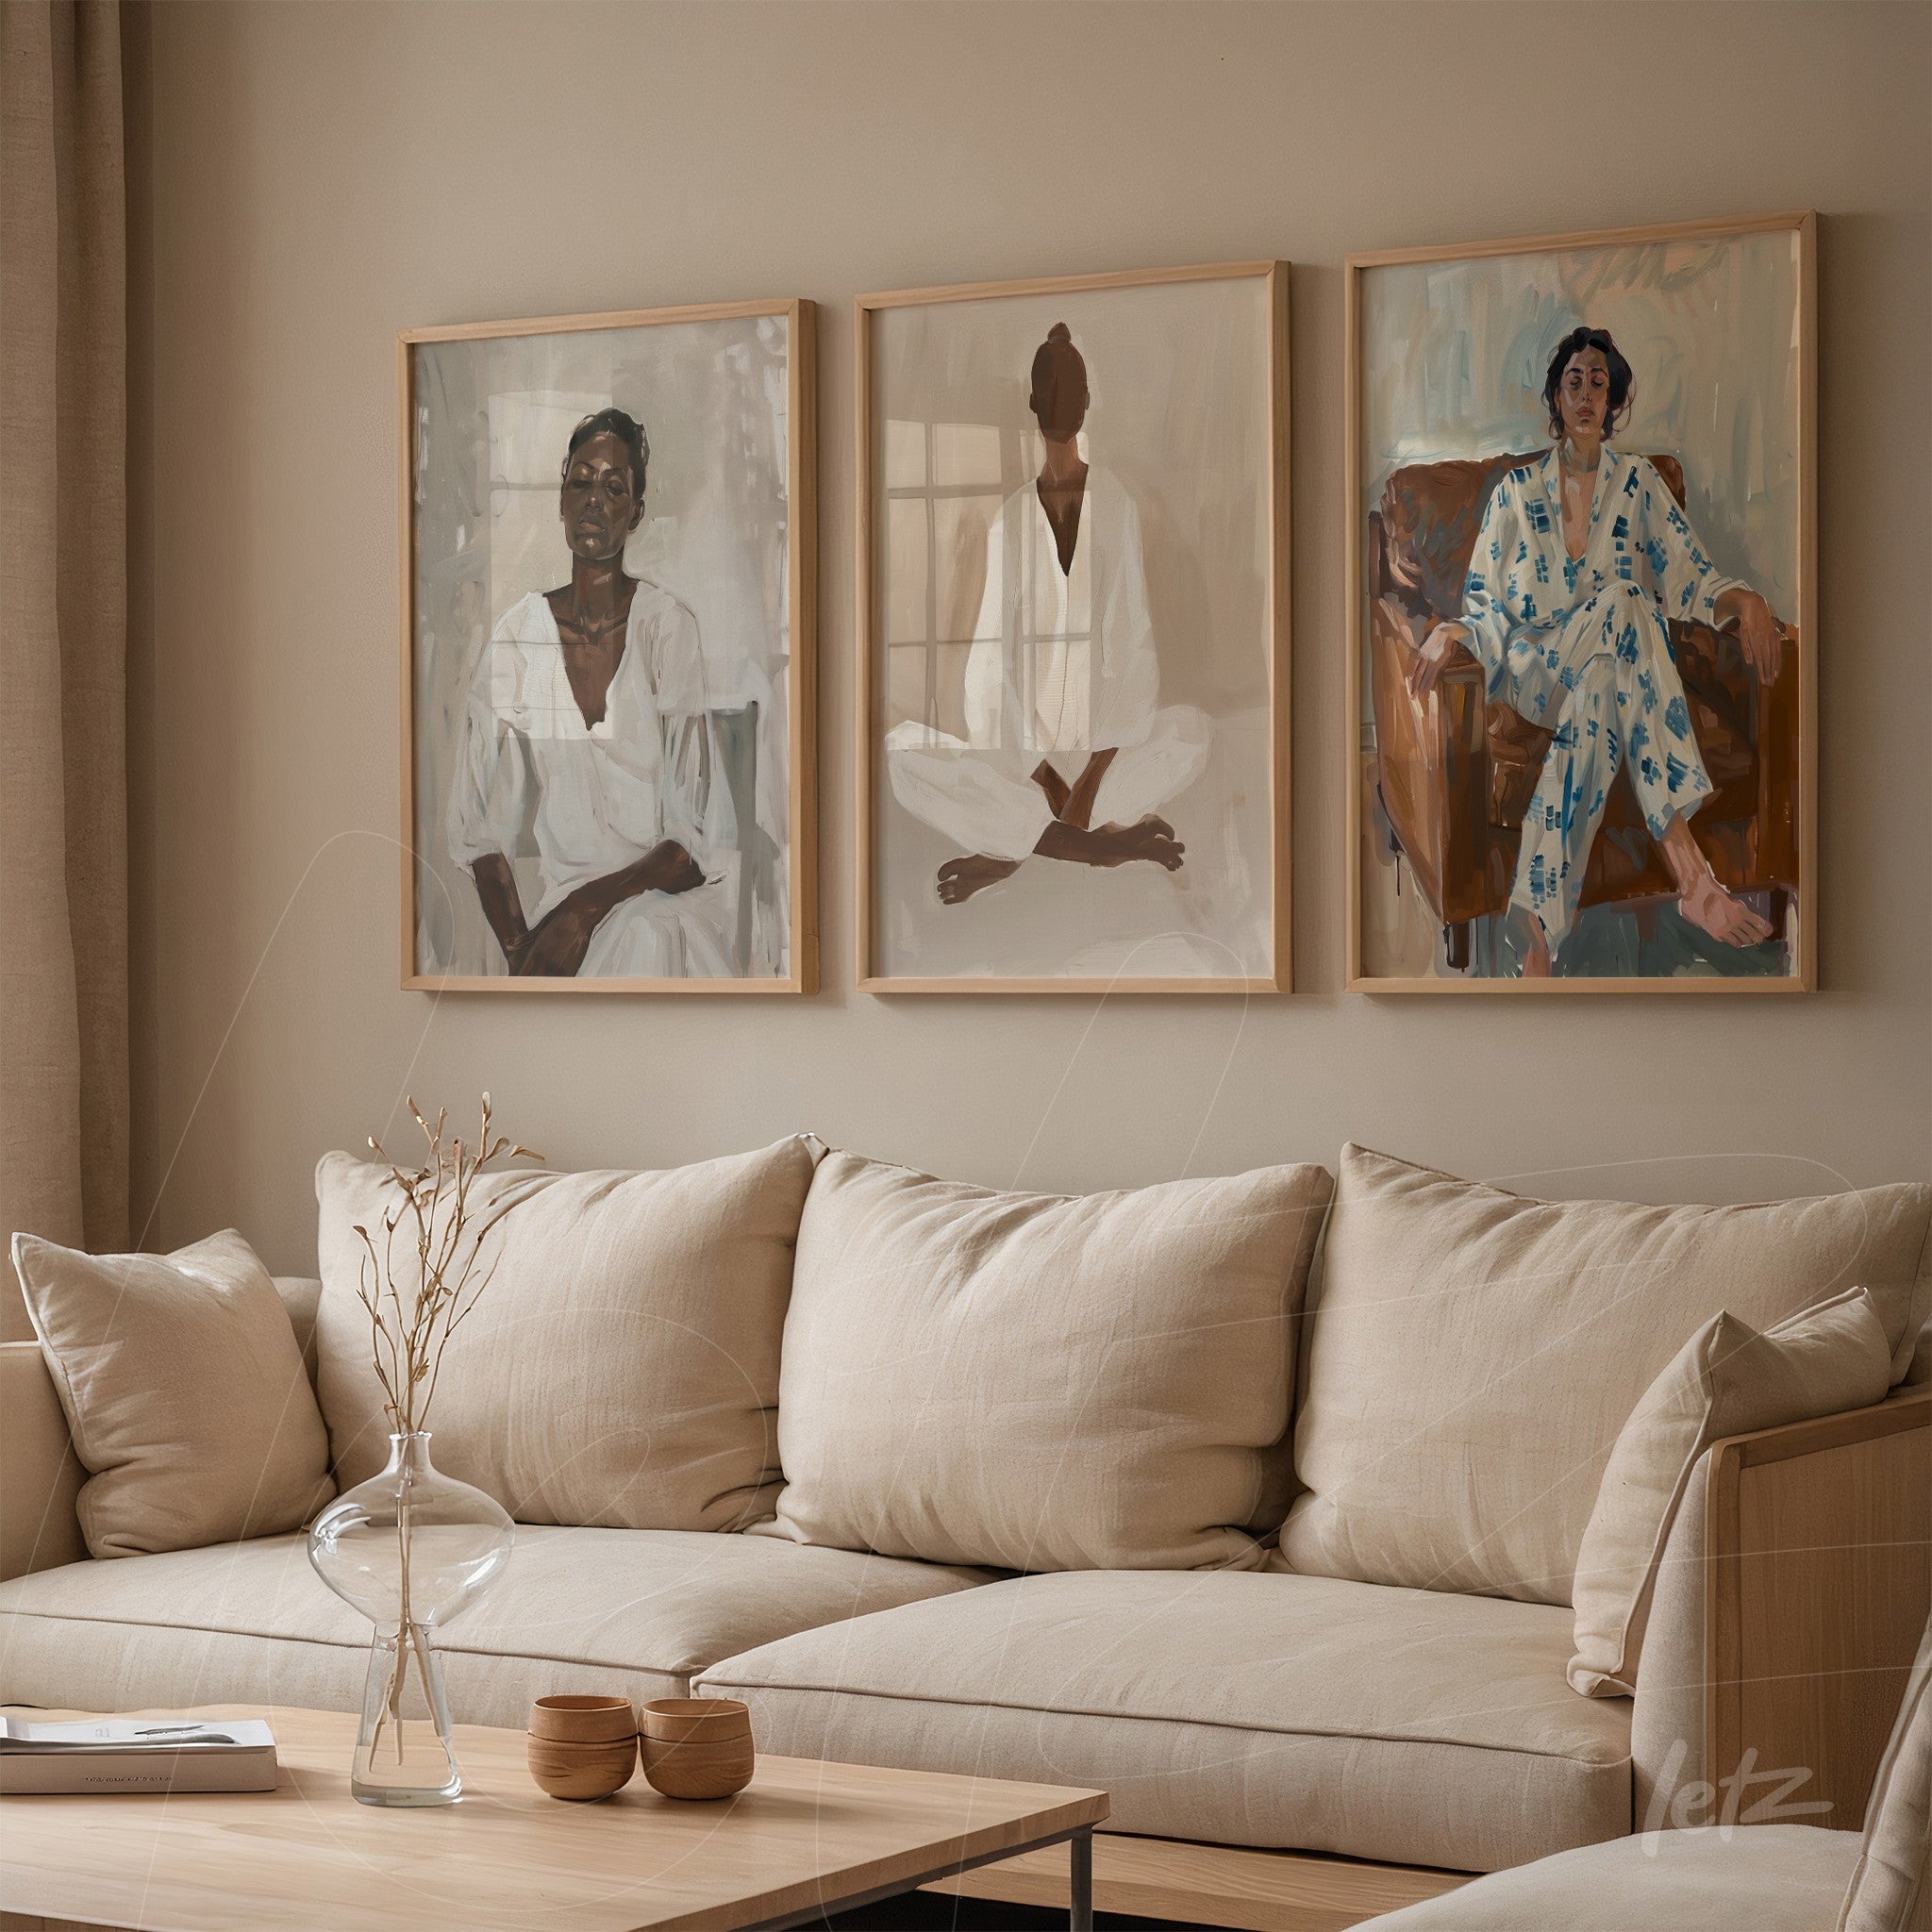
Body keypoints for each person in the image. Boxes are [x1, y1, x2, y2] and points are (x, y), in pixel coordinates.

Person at [1407, 325, 1790, 976]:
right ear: (1556, 398)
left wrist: (1742, 601)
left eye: (1599, 383)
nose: (1586, 394)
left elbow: (1690, 576)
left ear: (1614, 404)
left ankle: (1534, 919)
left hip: (1605, 670)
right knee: (1626, 604)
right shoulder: (1514, 495)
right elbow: (1485, 606)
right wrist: (1453, 633)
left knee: (1607, 686)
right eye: (1574, 382)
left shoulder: (1639, 484)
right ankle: (1693, 879)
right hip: (1531, 667)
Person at [886, 323, 1210, 905]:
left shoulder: (1116, 507)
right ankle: (1101, 847)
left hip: (1101, 765)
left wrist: (1086, 780)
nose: (1060, 400)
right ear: (1034, 403)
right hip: (1026, 767)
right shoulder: (1009, 522)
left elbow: (1134, 654)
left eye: (1071, 389)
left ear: (1086, 403)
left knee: (1193, 732)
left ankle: (1018, 845)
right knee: (902, 753)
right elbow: (989, 673)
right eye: (1050, 389)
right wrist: (1044, 775)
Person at [446, 408, 733, 977]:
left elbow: (691, 847)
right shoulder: (519, 635)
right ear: (561, 502)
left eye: (614, 487)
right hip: (560, 916)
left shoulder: (666, 627)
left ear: (636, 513)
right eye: (580, 482)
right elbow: (471, 822)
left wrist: (587, 910)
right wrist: (519, 950)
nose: (594, 499)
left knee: (646, 934)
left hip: (662, 909)